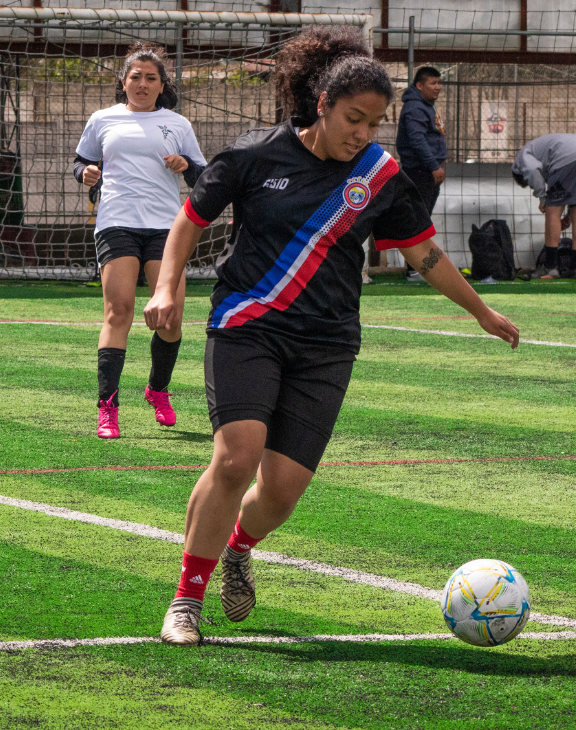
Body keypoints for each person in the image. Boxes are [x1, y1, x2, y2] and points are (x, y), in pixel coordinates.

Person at [144, 26, 519, 647]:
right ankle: (186, 601)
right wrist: (167, 287)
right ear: (322, 104)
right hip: (248, 324)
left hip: (328, 342)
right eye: (353, 118)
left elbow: (425, 253)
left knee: (283, 492)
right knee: (237, 457)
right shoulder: (253, 156)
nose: (362, 134)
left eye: (374, 123)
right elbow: (190, 220)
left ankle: (238, 549)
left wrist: (480, 311)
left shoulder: (380, 173)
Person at [74, 42, 206, 439]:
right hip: (116, 222)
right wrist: (85, 173)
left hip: (168, 228)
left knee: (171, 317)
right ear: (124, 81)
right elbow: (80, 161)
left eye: (151, 78)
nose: (143, 84)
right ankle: (107, 409)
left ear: (162, 85)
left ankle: (157, 389)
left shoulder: (178, 124)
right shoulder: (102, 120)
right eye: (136, 77)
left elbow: (203, 177)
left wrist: (186, 166)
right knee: (120, 311)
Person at [396, 66, 447, 281]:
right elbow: (417, 140)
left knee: (421, 218)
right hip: (420, 171)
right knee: (418, 219)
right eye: (432, 83)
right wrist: (433, 166)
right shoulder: (416, 108)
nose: (438, 87)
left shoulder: (425, 106)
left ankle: (416, 267)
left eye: (438, 82)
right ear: (419, 85)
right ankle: (414, 268)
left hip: (425, 170)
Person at [512, 133, 576, 279]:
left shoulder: (521, 159)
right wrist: (568, 216)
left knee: (552, 211)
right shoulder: (539, 148)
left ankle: (550, 267)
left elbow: (533, 172)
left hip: (566, 158)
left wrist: (543, 198)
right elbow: (573, 190)